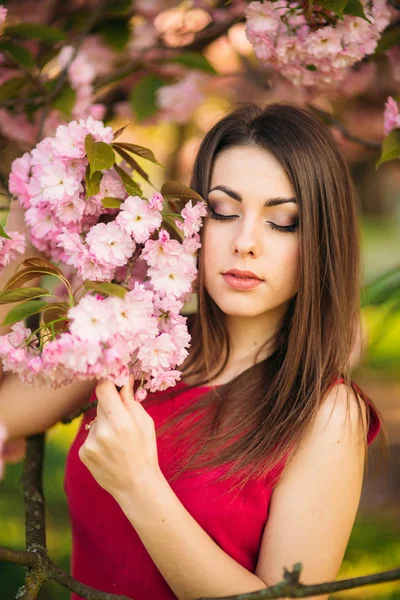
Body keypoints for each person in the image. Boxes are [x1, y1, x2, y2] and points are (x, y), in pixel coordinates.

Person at [0, 103, 387, 600]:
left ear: (321, 240)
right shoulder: (139, 342)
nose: (245, 242)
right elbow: (8, 412)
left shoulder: (327, 414)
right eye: (224, 211)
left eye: (283, 221)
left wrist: (138, 485)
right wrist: (28, 215)